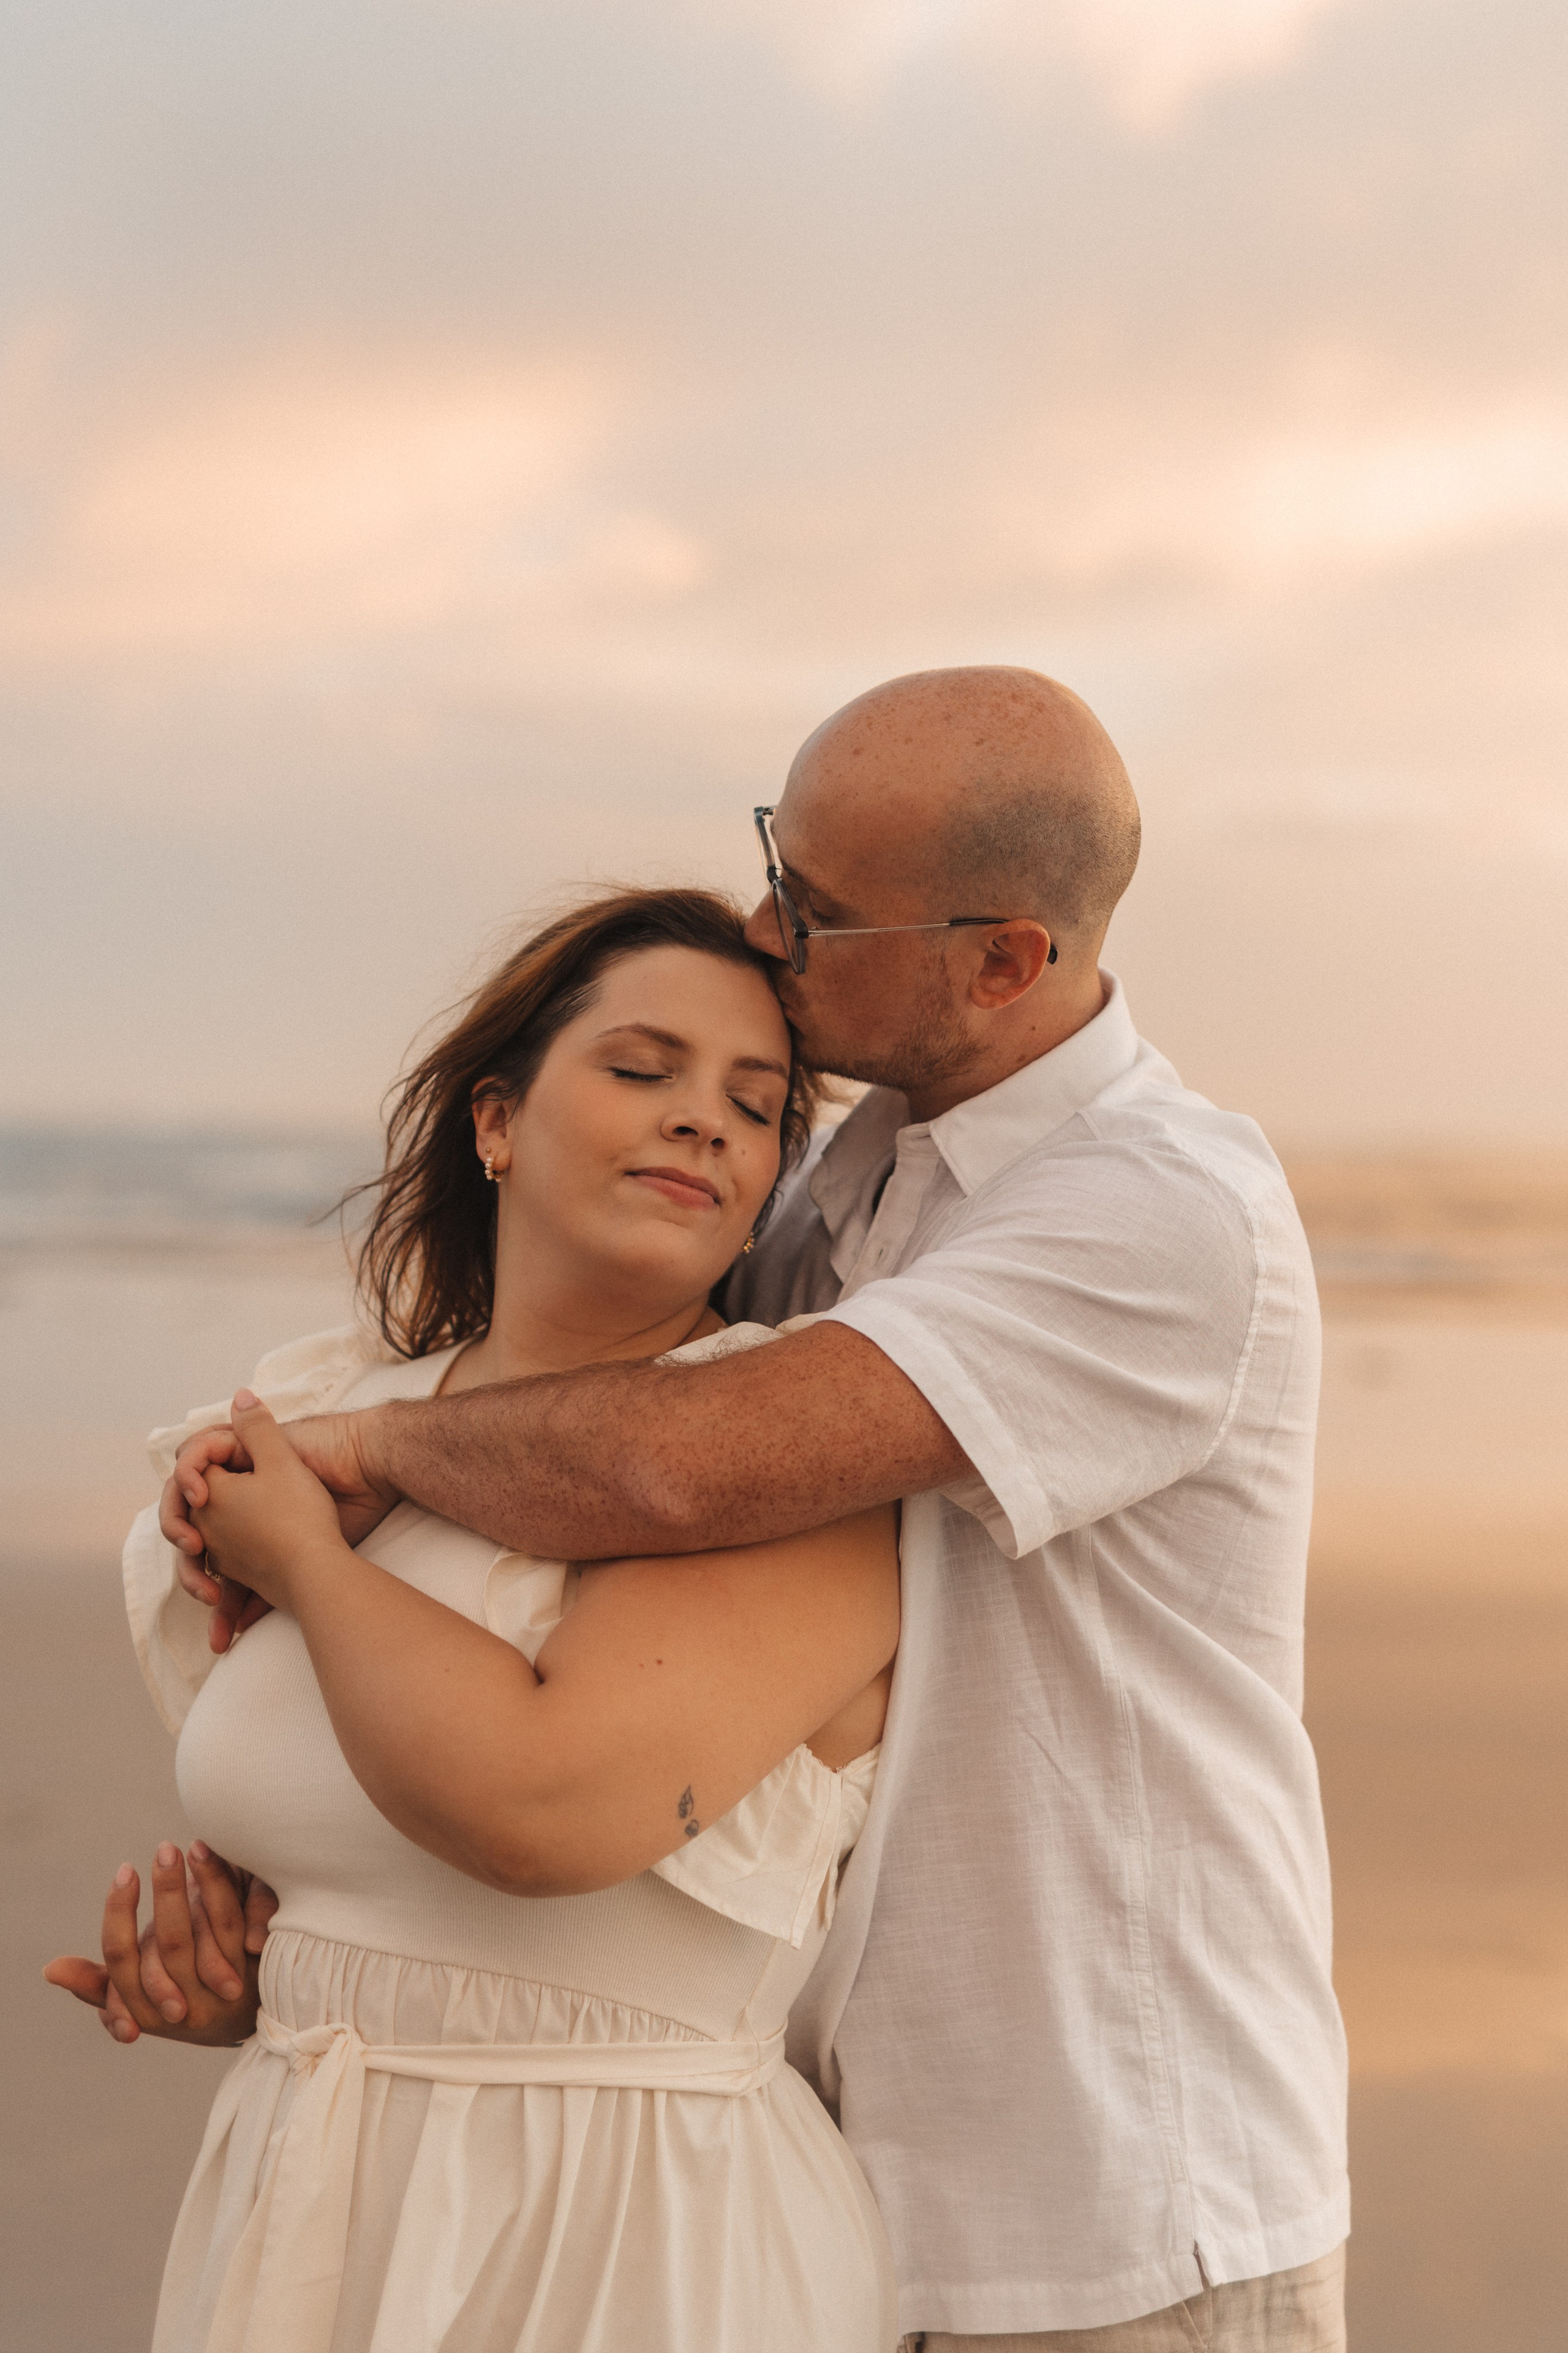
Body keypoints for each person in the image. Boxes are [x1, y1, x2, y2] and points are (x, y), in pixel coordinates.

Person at [160, 665, 1351, 2351]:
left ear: (1003, 958)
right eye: (773, 862)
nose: (763, 927)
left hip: (1109, 2200)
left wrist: (357, 1460)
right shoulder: (845, 1182)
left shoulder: (1159, 1214)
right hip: (834, 2146)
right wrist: (272, 1935)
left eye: (814, 908)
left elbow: (677, 1459)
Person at [46, 888, 903, 2353]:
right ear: (493, 1122)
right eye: (642, 1071)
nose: (702, 1119)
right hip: (312, 2196)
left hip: (635, 2231)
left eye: (753, 1107)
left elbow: (541, 1810)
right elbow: (364, 1872)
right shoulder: (332, 1418)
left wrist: (314, 1563)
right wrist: (251, 1985)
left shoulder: (784, 1463)